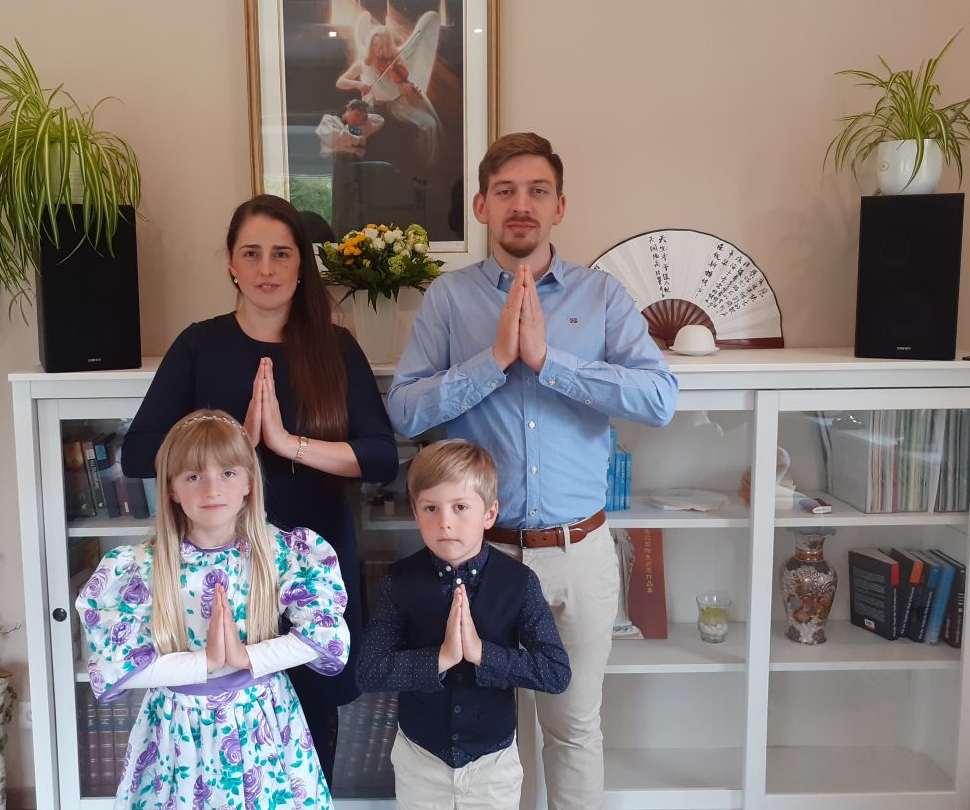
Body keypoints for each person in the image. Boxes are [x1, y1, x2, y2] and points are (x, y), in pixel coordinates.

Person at [387, 133, 679, 808]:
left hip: (580, 553)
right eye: (507, 191)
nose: (522, 205)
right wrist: (492, 362)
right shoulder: (449, 299)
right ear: (482, 206)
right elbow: (404, 410)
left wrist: (552, 362)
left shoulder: (601, 296)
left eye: (538, 191)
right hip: (480, 559)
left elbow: (660, 399)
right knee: (493, 738)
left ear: (559, 206)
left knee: (574, 729)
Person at [121, 194, 399, 786]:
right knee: (216, 752)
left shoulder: (335, 347)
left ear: (302, 266)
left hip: (309, 570)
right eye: (251, 253)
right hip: (214, 578)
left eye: (281, 254)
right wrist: (234, 446)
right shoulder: (199, 345)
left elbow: (380, 458)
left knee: (305, 746)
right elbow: (138, 453)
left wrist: (285, 442)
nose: (266, 269)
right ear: (231, 263)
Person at [77, 409, 350, 809]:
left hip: (263, 726)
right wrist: (202, 663)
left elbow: (325, 635)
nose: (211, 489)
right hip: (177, 732)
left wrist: (247, 658)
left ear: (249, 483)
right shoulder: (140, 566)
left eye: (227, 473)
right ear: (171, 489)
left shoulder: (281, 553)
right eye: (193, 477)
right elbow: (116, 663)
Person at [356, 439, 569, 810]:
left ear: (489, 513)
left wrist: (481, 653)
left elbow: (555, 672)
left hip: (493, 766)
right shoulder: (398, 581)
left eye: (460, 507)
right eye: (431, 508)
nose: (445, 522)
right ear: (415, 513)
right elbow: (369, 672)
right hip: (420, 761)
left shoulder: (519, 582)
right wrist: (440, 658)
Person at [336, 12, 442, 170]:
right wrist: (359, 85)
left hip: (396, 105)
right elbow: (341, 82)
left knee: (429, 123)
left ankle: (427, 166)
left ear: (388, 46)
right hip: (372, 105)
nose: (378, 50)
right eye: (374, 45)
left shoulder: (397, 62)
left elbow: (399, 87)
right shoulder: (364, 63)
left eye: (382, 46)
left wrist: (407, 90)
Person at [316, 99, 386, 158]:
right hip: (332, 161)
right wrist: (357, 139)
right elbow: (333, 137)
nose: (359, 119)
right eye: (357, 115)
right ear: (349, 108)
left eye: (363, 118)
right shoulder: (329, 119)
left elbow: (379, 120)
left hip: (354, 161)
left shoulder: (361, 127)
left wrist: (364, 117)